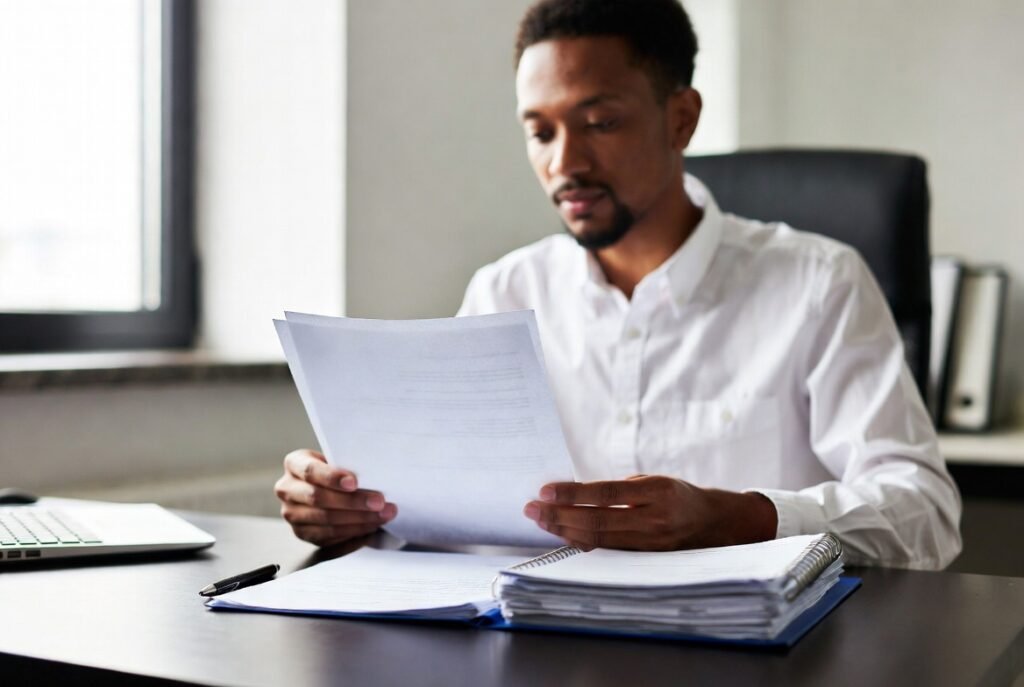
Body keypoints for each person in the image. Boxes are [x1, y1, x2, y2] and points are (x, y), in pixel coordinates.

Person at [274, 0, 962, 569]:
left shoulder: (819, 283)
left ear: (681, 119)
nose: (564, 162)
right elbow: (444, 514)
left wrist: (739, 515)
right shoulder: (504, 291)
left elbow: (923, 515)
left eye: (599, 122)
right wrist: (351, 510)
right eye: (539, 132)